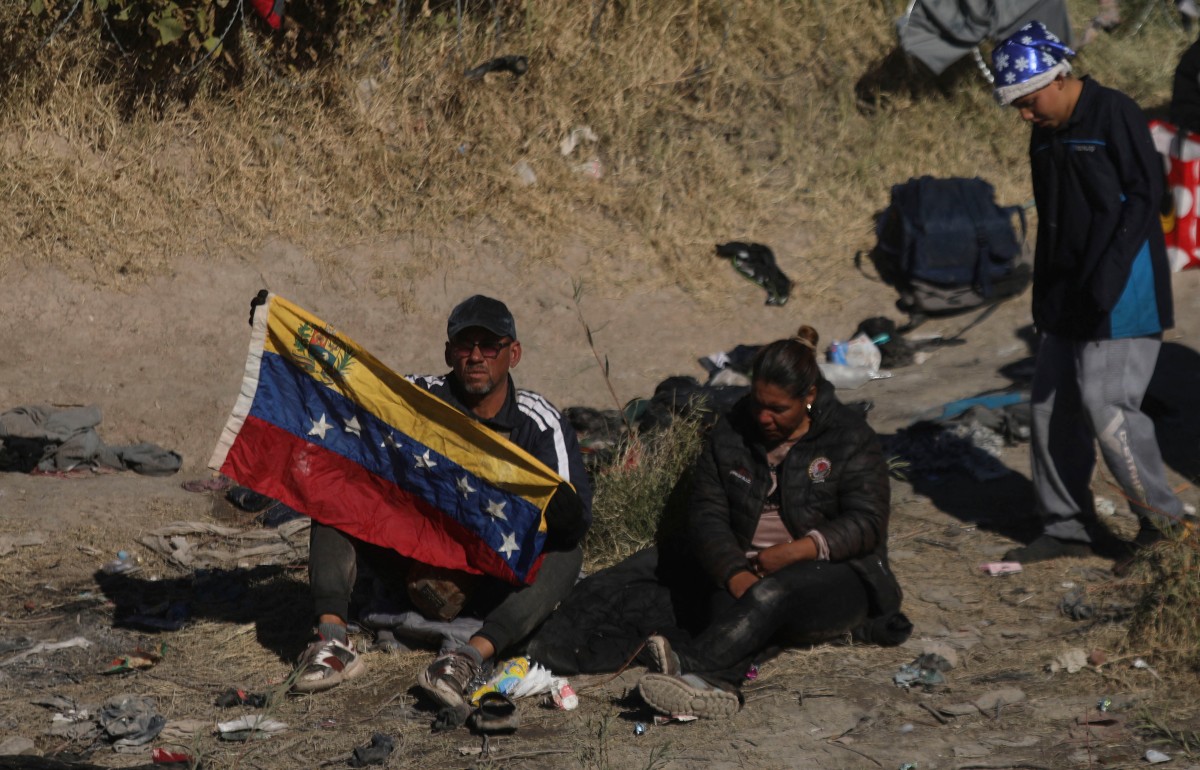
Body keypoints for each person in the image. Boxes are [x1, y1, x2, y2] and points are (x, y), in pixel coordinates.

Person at [292, 294, 593, 712]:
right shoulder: (416, 397)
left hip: (491, 581)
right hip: (412, 559)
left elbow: (576, 519)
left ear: (514, 353)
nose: (475, 357)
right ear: (448, 353)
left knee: (567, 553)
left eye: (489, 346)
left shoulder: (539, 422)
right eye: (464, 345)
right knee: (339, 492)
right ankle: (332, 641)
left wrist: (558, 509)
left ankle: (467, 658)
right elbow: (347, 391)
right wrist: (289, 342)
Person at [634, 326, 908, 719]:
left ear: (809, 397)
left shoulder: (849, 437)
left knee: (769, 598)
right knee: (731, 613)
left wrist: (798, 550)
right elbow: (706, 515)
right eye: (758, 404)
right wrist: (734, 574)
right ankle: (715, 688)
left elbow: (867, 522)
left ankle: (690, 667)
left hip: (838, 577)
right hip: (746, 570)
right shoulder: (731, 432)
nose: (763, 417)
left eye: (778, 409)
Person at [991, 22, 1186, 565]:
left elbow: (1145, 196)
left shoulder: (1113, 112)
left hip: (1122, 289)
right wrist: (1046, 295)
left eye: (1029, 103)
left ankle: (1162, 528)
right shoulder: (1045, 128)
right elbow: (1054, 220)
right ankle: (1066, 525)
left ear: (1058, 78)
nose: (1026, 116)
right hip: (1065, 294)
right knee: (1051, 407)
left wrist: (1108, 276)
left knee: (1109, 406)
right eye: (1018, 109)